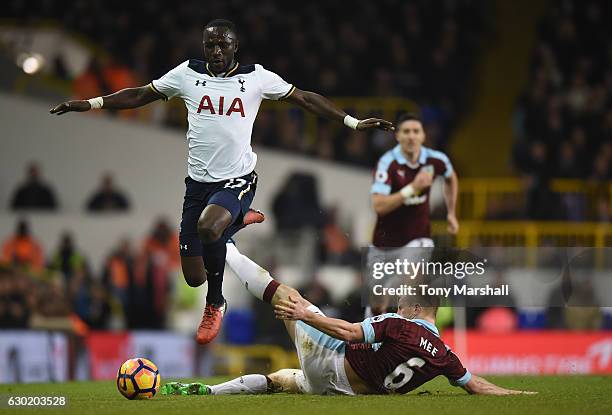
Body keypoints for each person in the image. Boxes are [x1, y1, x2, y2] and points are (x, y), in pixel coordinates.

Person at [49, 19, 393, 344]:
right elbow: (140, 95)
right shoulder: (186, 73)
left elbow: (304, 97)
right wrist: (90, 103)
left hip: (238, 180)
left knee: (209, 230)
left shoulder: (257, 78)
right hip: (197, 187)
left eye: (222, 45)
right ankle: (236, 221)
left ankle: (215, 303)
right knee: (194, 275)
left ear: (234, 47)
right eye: (210, 45)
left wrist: (352, 122)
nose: (215, 51)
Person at [161, 243, 535, 396]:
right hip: (343, 390)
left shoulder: (400, 324)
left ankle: (226, 248)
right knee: (282, 380)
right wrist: (517, 393)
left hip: (331, 361)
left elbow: (349, 332)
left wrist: (303, 313)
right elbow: (478, 385)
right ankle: (210, 392)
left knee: (289, 295)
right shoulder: (445, 354)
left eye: (404, 300)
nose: (399, 303)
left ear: (418, 308)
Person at [371, 114, 459, 248]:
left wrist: (451, 213)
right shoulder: (387, 163)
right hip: (386, 242)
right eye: (406, 131)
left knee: (415, 266)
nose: (411, 136)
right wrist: (413, 188)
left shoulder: (436, 159)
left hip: (419, 237)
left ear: (423, 136)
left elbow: (451, 178)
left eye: (416, 131)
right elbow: (379, 206)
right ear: (397, 136)